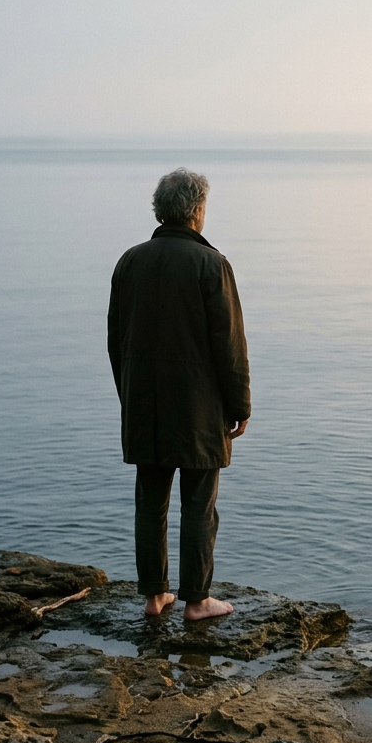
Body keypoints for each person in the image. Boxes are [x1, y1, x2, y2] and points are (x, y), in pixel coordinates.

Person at [107, 168, 250, 620]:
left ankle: (154, 596)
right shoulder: (212, 264)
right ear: (198, 211)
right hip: (199, 409)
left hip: (144, 404)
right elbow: (229, 345)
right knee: (199, 505)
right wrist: (240, 405)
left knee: (150, 503)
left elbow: (116, 341)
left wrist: (129, 395)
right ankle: (197, 600)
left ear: (160, 210)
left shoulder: (130, 262)